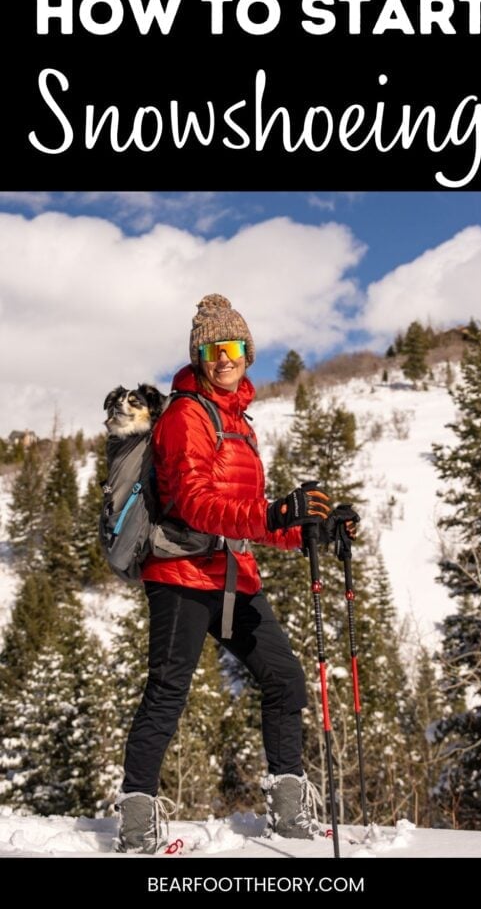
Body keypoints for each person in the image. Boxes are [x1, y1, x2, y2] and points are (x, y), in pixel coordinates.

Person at [115, 294, 352, 854]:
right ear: (199, 356)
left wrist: (307, 530)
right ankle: (135, 822)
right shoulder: (184, 416)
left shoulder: (240, 423)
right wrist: (270, 513)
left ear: (248, 354)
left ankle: (288, 812)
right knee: (169, 691)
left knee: (284, 680)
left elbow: (251, 517)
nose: (227, 358)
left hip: (232, 573)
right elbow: (195, 504)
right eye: (215, 348)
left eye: (237, 347)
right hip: (178, 572)